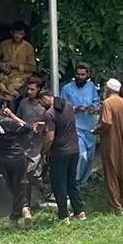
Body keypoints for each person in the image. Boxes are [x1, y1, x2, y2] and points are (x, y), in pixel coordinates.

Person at [0, 94, 44, 229]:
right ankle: (15, 217)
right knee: (20, 186)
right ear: (3, 106)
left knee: (13, 187)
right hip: (16, 158)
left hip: (1, 159)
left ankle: (25, 209)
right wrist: (12, 115)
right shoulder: (8, 122)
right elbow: (28, 128)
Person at [39, 90, 86, 223]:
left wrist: (44, 151)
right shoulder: (69, 105)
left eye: (41, 101)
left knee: (59, 185)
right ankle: (79, 211)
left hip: (59, 153)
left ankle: (64, 215)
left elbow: (50, 137)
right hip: (74, 150)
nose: (41, 105)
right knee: (72, 182)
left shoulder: (50, 113)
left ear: (46, 98)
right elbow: (63, 122)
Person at [93, 78, 123, 215]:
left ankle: (116, 206)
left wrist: (96, 130)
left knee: (111, 173)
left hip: (110, 143)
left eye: (106, 88)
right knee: (122, 171)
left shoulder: (108, 102)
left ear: (109, 89)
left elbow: (107, 122)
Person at [60, 63, 100, 188]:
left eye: (83, 75)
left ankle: (83, 182)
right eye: (78, 74)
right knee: (81, 156)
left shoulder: (91, 86)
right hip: (75, 127)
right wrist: (75, 108)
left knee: (90, 156)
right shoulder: (67, 89)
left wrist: (93, 107)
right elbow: (61, 107)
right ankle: (75, 182)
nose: (80, 77)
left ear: (88, 75)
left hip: (90, 127)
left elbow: (96, 101)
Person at [16, 76, 47, 207]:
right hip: (24, 143)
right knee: (25, 175)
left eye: (32, 89)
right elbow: (18, 119)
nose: (29, 92)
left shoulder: (43, 107)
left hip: (38, 144)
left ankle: (42, 194)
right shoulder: (23, 103)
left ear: (39, 90)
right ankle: (26, 204)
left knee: (34, 174)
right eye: (28, 89)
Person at [0, 21, 36, 96]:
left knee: (11, 88)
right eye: (16, 33)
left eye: (21, 34)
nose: (18, 36)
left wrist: (17, 66)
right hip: (5, 75)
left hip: (21, 76)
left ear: (24, 35)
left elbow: (33, 67)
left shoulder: (28, 47)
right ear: (11, 32)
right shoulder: (4, 44)